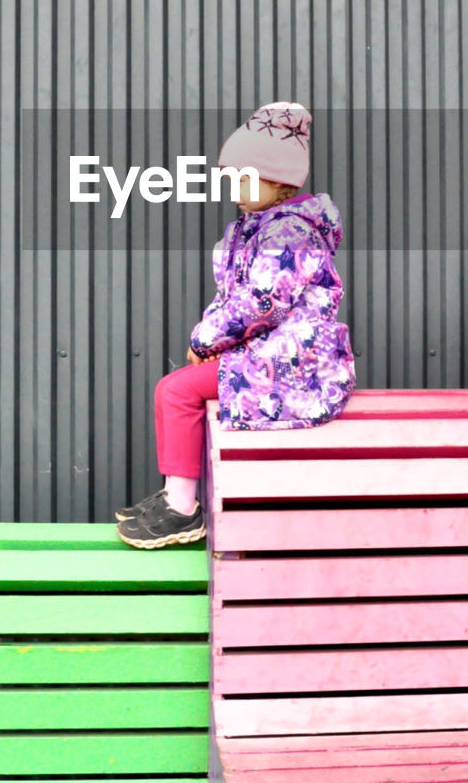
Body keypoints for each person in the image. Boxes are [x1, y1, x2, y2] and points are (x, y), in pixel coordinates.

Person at [115, 101, 356, 549]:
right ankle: (177, 493)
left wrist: (206, 338)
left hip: (297, 367)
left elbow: (263, 302)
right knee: (181, 386)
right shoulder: (256, 229)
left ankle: (183, 509)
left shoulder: (290, 233)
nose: (235, 188)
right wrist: (211, 338)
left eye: (246, 178)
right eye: (230, 178)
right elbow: (231, 297)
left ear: (279, 180)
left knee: (177, 391)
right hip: (271, 357)